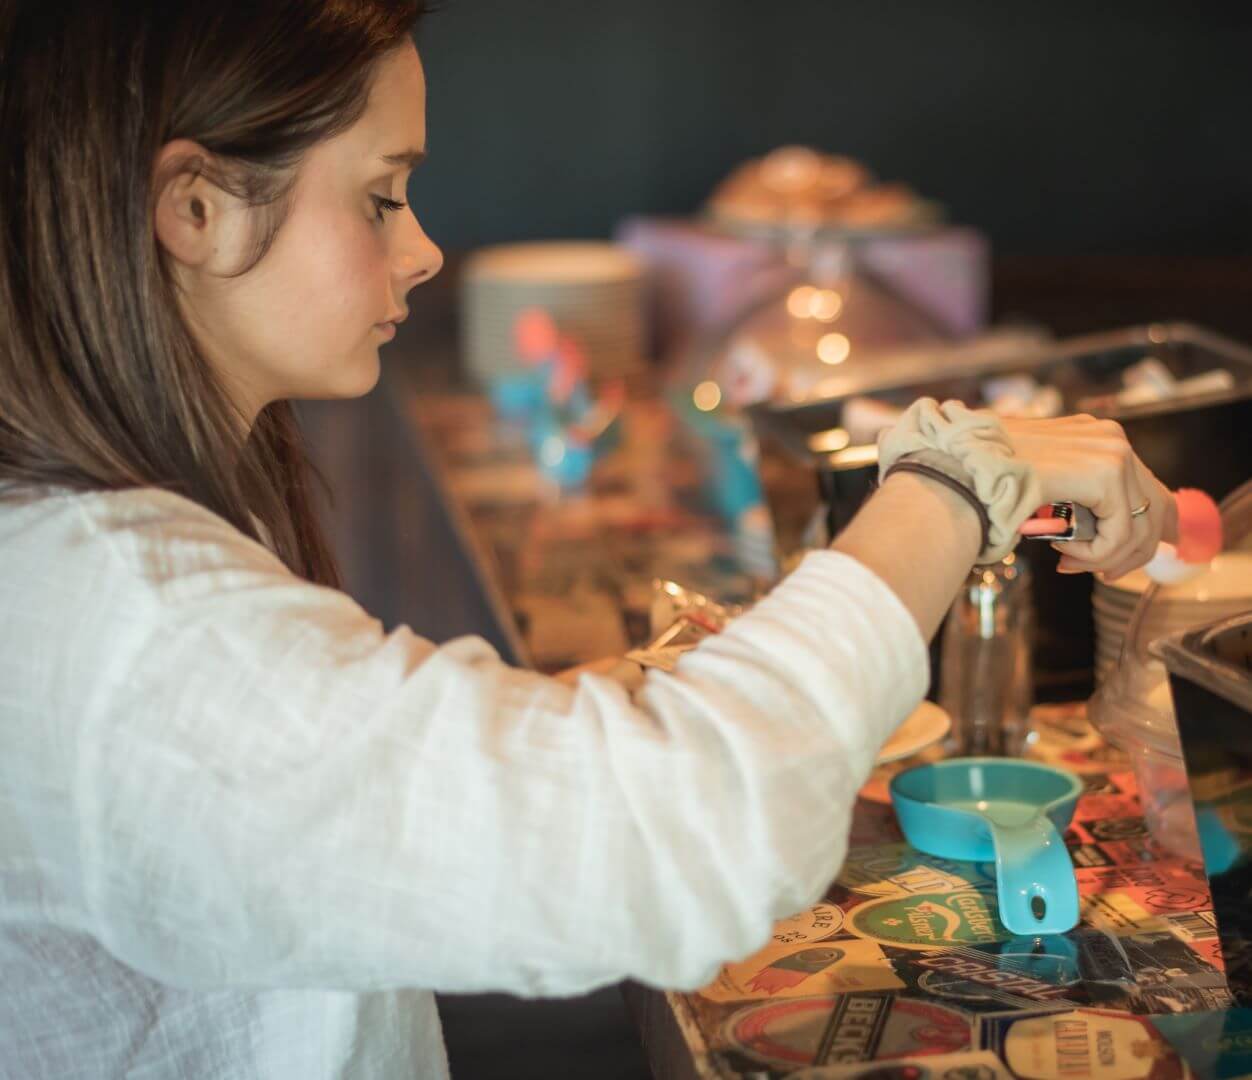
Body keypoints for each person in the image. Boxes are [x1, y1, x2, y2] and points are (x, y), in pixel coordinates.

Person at [0, 2, 1174, 1077]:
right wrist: (957, 477)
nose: (422, 249)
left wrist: (668, 682)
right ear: (193, 209)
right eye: (378, 195)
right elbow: (689, 832)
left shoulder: (118, 541)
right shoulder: (121, 623)